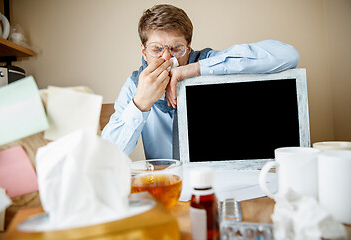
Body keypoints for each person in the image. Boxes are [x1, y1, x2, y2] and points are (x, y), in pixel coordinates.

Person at [101, 4, 299, 159]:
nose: (167, 59)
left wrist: (195, 70)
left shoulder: (211, 63)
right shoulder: (135, 86)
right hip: (169, 186)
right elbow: (107, 154)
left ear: (189, 48)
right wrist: (141, 104)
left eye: (177, 48)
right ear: (144, 53)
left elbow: (288, 55)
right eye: (156, 49)